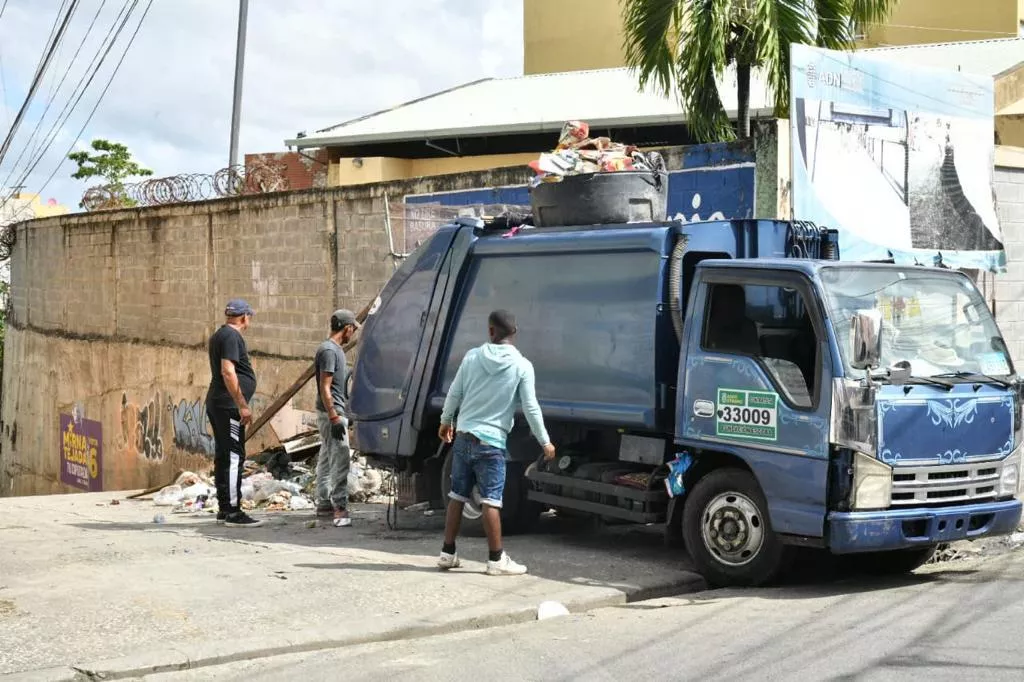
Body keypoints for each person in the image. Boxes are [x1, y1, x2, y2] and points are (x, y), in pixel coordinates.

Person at [436, 309, 556, 576]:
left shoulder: (472, 357)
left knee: (457, 496)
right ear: (514, 333)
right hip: (491, 444)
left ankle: (447, 553)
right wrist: (545, 442)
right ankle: (495, 560)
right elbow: (531, 408)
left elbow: (455, 392)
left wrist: (446, 422)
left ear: (490, 331)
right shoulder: (522, 366)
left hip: (464, 438)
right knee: (491, 501)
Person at [205, 299, 262, 527]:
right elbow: (228, 371)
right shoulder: (230, 336)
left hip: (220, 403)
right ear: (244, 317)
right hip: (228, 406)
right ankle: (233, 512)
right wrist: (242, 405)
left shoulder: (220, 334)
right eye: (249, 316)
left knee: (224, 454)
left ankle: (224, 508)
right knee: (234, 457)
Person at [314, 309, 360, 527]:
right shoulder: (330, 351)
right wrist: (334, 415)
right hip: (332, 413)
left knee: (326, 455)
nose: (353, 333)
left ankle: (323, 502)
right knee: (340, 457)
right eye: (353, 329)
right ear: (347, 327)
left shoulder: (332, 349)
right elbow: (325, 386)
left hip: (330, 412)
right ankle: (339, 509)